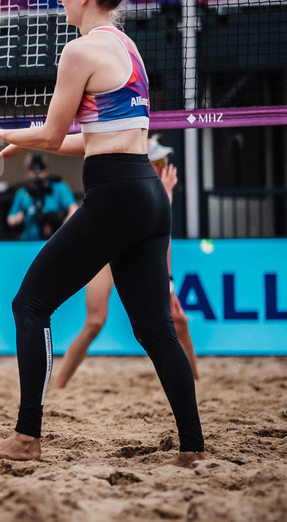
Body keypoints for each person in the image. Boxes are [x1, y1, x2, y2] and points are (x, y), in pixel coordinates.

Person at [0, 0, 205, 467]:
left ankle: (26, 437)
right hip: (147, 193)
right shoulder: (126, 48)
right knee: (155, 328)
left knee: (30, 305)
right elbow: (92, 138)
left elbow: (52, 131)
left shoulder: (81, 50)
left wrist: (2, 132)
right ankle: (192, 446)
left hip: (115, 195)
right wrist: (24, 145)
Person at [51, 138, 199, 389]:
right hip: (106, 255)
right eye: (160, 161)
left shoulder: (159, 189)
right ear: (145, 163)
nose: (166, 166)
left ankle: (195, 382)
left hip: (134, 252)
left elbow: (163, 242)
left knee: (176, 319)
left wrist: (169, 281)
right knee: (94, 322)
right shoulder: (141, 185)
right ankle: (59, 386)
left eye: (165, 161)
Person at [7, 153, 78, 240]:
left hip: (54, 240)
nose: (37, 173)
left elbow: (73, 209)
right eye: (33, 170)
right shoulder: (23, 192)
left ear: (47, 170)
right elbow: (10, 218)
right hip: (28, 242)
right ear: (28, 172)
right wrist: (17, 219)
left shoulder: (59, 187)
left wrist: (62, 228)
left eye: (41, 169)